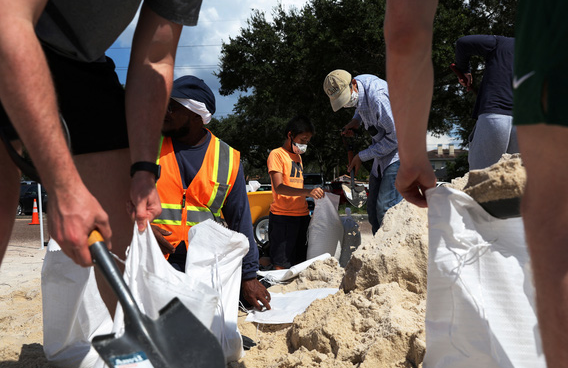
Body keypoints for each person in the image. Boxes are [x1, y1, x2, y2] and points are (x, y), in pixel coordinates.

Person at [385, 0, 568, 368]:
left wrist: (461, 71)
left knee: (478, 206)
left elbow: (413, 31)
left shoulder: (498, 42)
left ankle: (487, 282)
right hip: (538, 110)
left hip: (495, 116)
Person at [0, 0, 202, 315]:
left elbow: (156, 57)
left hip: (81, 57)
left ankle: (140, 348)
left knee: (123, 233)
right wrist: (64, 188)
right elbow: (8, 23)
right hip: (11, 32)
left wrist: (145, 170)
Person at [151, 75, 271, 311]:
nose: (163, 111)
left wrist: (248, 276)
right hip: (153, 260)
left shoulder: (227, 159)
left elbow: (240, 220)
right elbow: (117, 198)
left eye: (171, 107)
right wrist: (141, 229)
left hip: (204, 266)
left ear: (196, 116)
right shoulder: (146, 146)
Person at [323, 70, 402, 234]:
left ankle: (392, 255)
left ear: (353, 84)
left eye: (345, 99)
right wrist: (355, 121)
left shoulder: (380, 98)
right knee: (373, 212)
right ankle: (377, 255)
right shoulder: (360, 86)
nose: (346, 104)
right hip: (382, 153)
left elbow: (396, 139)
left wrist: (361, 156)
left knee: (386, 209)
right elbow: (361, 106)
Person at [267, 115, 324, 270]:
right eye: (303, 139)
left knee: (300, 262)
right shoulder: (276, 154)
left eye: (307, 141)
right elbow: (279, 187)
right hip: (283, 217)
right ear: (290, 135)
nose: (305, 144)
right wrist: (308, 192)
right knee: (281, 264)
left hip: (302, 216)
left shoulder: (298, 157)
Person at [453, 35, 518, 170]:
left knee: (480, 184)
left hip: (494, 116)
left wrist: (464, 70)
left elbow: (463, 43)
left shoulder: (501, 43)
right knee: (515, 187)